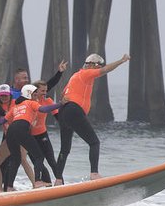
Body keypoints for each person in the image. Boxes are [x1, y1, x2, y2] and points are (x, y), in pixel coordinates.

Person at [53, 53, 130, 184]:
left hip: (63, 112)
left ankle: (58, 180)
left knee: (65, 149)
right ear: (92, 65)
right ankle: (94, 173)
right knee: (94, 143)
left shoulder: (75, 76)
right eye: (98, 66)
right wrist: (121, 61)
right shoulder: (85, 73)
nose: (98, 69)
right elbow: (104, 70)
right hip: (74, 110)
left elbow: (63, 94)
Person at [0, 84, 55, 190]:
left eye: (6, 95)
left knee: (21, 160)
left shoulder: (16, 104)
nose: (4, 97)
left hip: (18, 133)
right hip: (12, 135)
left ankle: (30, 185)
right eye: (2, 95)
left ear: (10, 95)